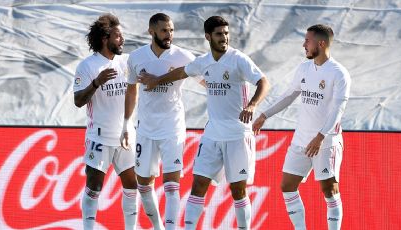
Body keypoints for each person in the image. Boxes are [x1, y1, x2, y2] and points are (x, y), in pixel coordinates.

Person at [138, 16, 270, 230]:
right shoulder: (204, 61)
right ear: (208, 37)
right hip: (212, 135)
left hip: (237, 135)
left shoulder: (239, 59)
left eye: (226, 33)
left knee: (238, 191)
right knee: (198, 184)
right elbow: (182, 72)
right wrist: (156, 80)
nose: (224, 38)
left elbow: (263, 82)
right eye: (219, 34)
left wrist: (253, 105)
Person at [253, 24, 351, 230]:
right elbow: (289, 95)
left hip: (326, 141)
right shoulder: (304, 68)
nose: (304, 44)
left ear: (321, 43)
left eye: (308, 40)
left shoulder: (339, 73)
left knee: (329, 189)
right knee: (287, 186)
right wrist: (264, 115)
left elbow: (338, 109)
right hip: (301, 140)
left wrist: (321, 136)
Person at [121, 13, 198, 230]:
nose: (169, 35)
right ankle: (158, 226)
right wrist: (127, 123)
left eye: (171, 30)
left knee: (172, 184)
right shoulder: (136, 57)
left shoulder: (183, 56)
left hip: (172, 126)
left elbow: (205, 79)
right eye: (164, 30)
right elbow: (131, 89)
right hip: (145, 128)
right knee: (144, 184)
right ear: (151, 31)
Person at [73, 14, 138, 230]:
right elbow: (78, 101)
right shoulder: (87, 66)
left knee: (132, 185)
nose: (122, 40)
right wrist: (96, 83)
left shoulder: (127, 62)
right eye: (118, 36)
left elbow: (134, 91)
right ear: (104, 38)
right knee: (94, 186)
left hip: (125, 136)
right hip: (99, 136)